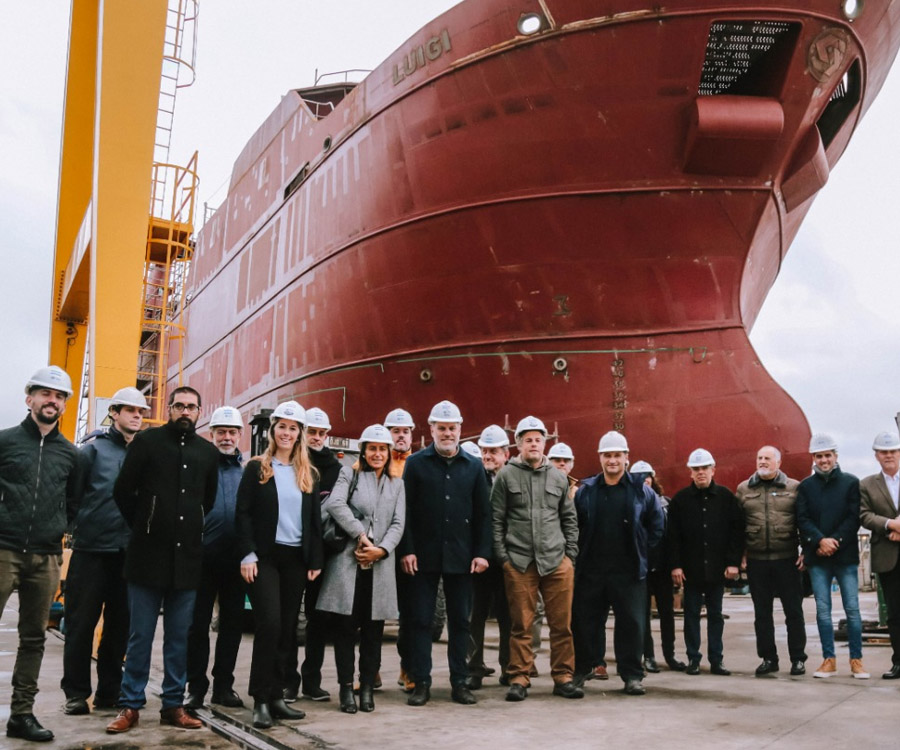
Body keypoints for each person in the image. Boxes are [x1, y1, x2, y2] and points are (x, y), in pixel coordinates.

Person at [106, 386, 219, 734]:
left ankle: (173, 705)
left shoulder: (207, 452)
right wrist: (146, 524)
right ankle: (130, 706)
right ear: (169, 408)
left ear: (200, 412)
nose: (185, 411)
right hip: (147, 556)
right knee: (140, 635)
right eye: (179, 406)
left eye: (192, 407)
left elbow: (208, 501)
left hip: (187, 559)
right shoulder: (148, 442)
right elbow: (123, 491)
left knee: (178, 637)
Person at [1, 365, 80, 742]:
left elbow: (75, 502)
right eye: (46, 393)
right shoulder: (6, 442)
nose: (53, 401)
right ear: (29, 397)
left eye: (60, 396)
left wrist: (61, 532)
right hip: (3, 550)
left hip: (46, 556)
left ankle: (21, 715)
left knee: (34, 638)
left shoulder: (70, 454)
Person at [236, 401, 324, 728]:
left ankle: (276, 697)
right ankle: (259, 699)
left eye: (293, 427)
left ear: (300, 433)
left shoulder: (308, 473)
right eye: (282, 426)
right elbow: (242, 513)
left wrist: (314, 559)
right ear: (273, 430)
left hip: (295, 561)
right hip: (265, 558)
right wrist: (247, 554)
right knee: (270, 624)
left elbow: (313, 520)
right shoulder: (257, 468)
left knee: (288, 630)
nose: (287, 432)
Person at [398, 400, 491, 707]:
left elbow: (483, 515)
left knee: (460, 623)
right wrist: (407, 550)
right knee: (422, 620)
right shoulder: (415, 464)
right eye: (442, 428)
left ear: (460, 430)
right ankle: (421, 682)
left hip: (462, 557)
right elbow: (406, 511)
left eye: (452, 428)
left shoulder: (473, 466)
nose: (447, 433)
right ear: (432, 429)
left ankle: (459, 682)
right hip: (423, 556)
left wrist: (482, 553)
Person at [62, 387, 148, 717]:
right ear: (114, 413)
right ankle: (75, 693)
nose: (137, 415)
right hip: (91, 550)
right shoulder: (91, 452)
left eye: (141, 411)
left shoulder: (144, 453)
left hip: (128, 553)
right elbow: (73, 496)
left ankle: (109, 692)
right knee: (81, 624)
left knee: (120, 626)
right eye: (130, 410)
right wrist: (76, 531)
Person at [492, 417, 582, 701]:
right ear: (518, 444)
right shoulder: (505, 476)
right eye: (527, 439)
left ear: (545, 443)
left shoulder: (557, 476)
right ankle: (520, 677)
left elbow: (569, 519)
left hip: (556, 562)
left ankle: (564, 676)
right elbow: (496, 520)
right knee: (521, 625)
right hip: (519, 562)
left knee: (562, 624)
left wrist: (569, 556)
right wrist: (504, 558)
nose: (533, 444)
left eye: (538, 439)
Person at [317, 424, 405, 713]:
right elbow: (334, 504)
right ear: (364, 451)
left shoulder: (397, 483)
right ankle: (345, 689)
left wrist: (381, 550)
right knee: (345, 630)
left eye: (382, 449)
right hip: (349, 562)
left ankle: (366, 688)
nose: (377, 453)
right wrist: (360, 535)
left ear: (389, 452)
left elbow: (398, 523)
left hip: (379, 566)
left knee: (373, 632)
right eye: (373, 448)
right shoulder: (349, 473)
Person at [572, 432, 664, 696]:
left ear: (626, 457)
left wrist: (642, 553)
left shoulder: (642, 492)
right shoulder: (586, 491)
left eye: (617, 455)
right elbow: (574, 527)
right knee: (585, 622)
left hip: (629, 571)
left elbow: (656, 527)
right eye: (607, 455)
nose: (612, 460)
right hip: (592, 570)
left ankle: (632, 675)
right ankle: (582, 669)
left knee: (631, 624)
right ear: (600, 458)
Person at [185, 406, 247, 710]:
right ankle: (195, 687)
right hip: (202, 558)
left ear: (240, 435)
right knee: (197, 626)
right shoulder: (200, 467)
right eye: (221, 432)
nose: (226, 437)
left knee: (232, 625)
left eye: (232, 432)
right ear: (211, 435)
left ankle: (224, 686)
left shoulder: (248, 471)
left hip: (236, 560)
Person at [796, 433, 869, 679]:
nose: (824, 460)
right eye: (819, 456)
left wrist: (834, 541)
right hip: (818, 558)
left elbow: (853, 518)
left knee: (852, 609)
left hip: (844, 557)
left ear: (835, 456)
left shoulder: (851, 483)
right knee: (823, 610)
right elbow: (802, 519)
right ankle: (829, 660)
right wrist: (819, 541)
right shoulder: (806, 487)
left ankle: (856, 660)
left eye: (828, 455)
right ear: (813, 458)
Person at [284, 406, 342, 703]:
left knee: (318, 620)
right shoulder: (292, 464)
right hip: (294, 551)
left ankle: (312, 682)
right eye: (313, 432)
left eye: (322, 433)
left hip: (325, 555)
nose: (318, 437)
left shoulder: (336, 468)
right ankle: (288, 682)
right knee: (291, 618)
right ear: (303, 434)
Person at [668, 448, 744, 676]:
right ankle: (693, 659)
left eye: (704, 468)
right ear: (690, 472)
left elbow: (736, 532)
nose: (701, 473)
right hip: (691, 570)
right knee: (691, 616)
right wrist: (676, 565)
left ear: (713, 470)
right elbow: (673, 536)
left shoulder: (726, 497)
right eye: (696, 469)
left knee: (715, 616)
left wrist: (733, 563)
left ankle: (716, 660)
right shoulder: (680, 500)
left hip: (717, 569)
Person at [735, 446, 807, 677]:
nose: (762, 462)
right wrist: (741, 553)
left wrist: (806, 550)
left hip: (787, 559)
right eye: (759, 458)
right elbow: (737, 525)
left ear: (778, 462)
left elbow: (803, 521)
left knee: (793, 611)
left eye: (767, 458)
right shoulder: (744, 489)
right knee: (762, 614)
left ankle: (797, 659)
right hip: (757, 562)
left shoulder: (794, 488)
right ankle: (768, 658)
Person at [467, 424, 512, 689]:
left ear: (506, 453)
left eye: (493, 451)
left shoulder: (514, 479)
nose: (487, 456)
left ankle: (509, 667)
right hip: (478, 560)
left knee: (509, 617)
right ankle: (474, 668)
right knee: (475, 616)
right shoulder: (473, 477)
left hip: (507, 559)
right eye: (484, 450)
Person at [630, 460, 685, 673]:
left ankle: (670, 655)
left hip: (661, 568)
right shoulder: (629, 502)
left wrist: (675, 566)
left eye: (648, 477)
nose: (645, 481)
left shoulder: (665, 504)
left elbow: (672, 538)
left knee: (667, 614)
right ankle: (649, 656)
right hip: (640, 568)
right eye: (641, 477)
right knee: (643, 615)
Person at [860, 430, 900, 680]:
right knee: (895, 613)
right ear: (876, 455)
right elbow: (864, 514)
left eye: (893, 451)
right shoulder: (866, 484)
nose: (889, 455)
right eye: (884, 452)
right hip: (888, 556)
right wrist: (891, 526)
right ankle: (899, 662)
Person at [384, 407, 417, 692]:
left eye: (405, 431)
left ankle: (407, 668)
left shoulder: (417, 464)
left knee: (409, 610)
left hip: (407, 547)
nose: (401, 436)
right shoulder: (375, 462)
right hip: (381, 547)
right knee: (372, 612)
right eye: (396, 431)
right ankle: (369, 672)